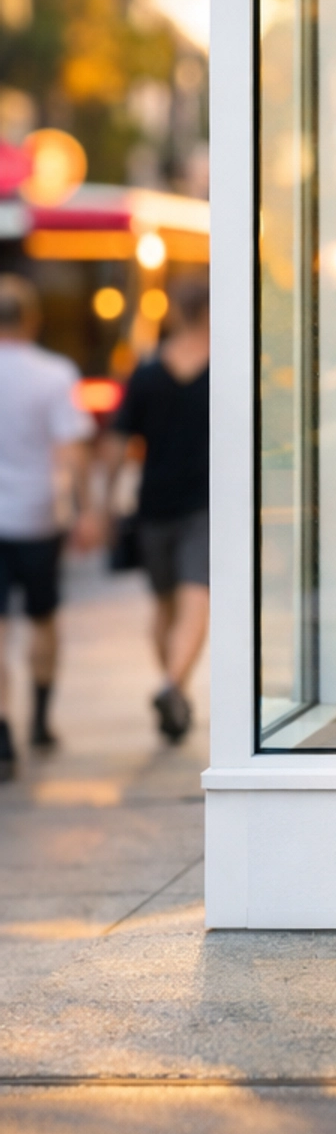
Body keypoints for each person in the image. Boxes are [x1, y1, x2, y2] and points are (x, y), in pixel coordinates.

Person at [100, 277, 210, 745]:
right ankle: (173, 687)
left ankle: (173, 688)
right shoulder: (229, 367)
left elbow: (117, 446)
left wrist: (102, 503)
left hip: (155, 504)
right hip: (205, 502)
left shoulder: (146, 374)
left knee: (166, 604)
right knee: (193, 598)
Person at [0, 274, 98, 782]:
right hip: (39, 517)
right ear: (32, 319)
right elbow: (73, 448)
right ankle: (38, 720)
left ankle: (0, 731)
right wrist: (85, 509)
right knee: (43, 620)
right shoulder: (54, 373)